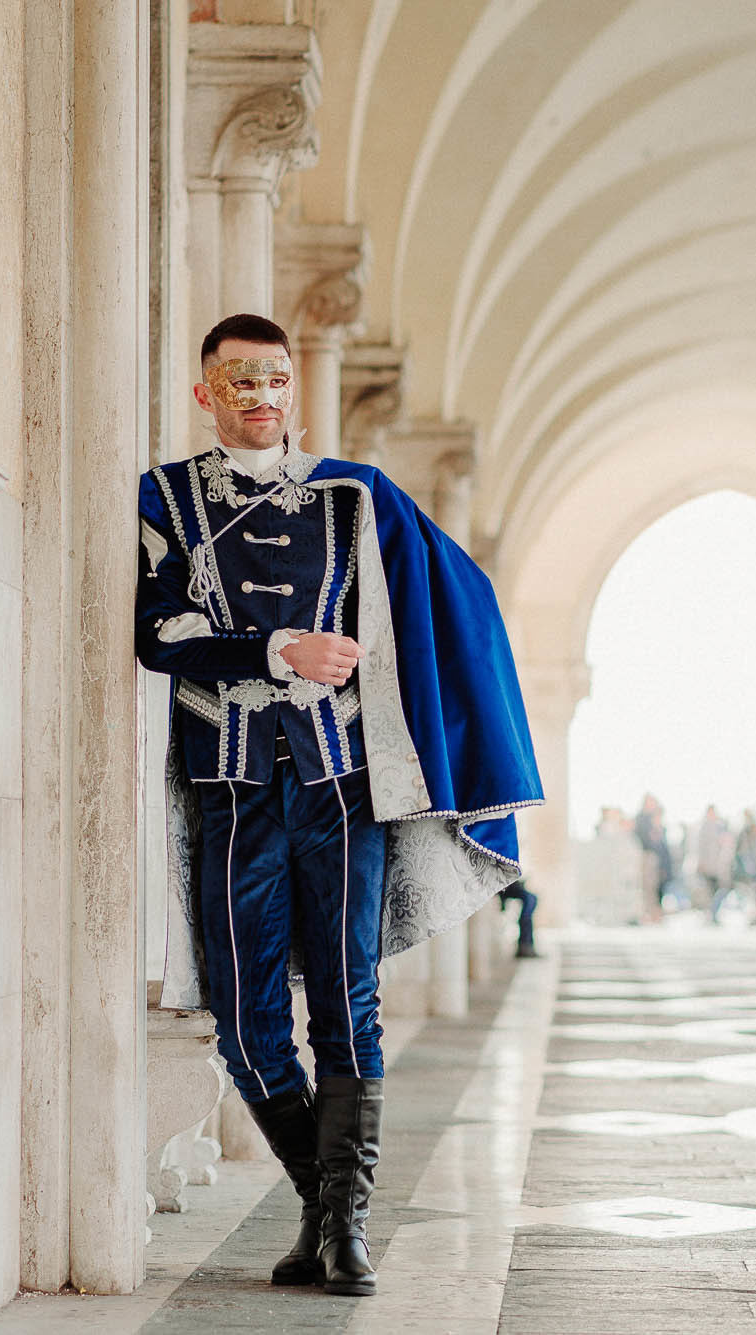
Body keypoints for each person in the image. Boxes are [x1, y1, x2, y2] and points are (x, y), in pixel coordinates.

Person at [136, 313, 541, 1297]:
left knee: (347, 1002)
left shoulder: (357, 494)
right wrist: (275, 650)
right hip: (228, 782)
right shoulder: (166, 496)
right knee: (242, 1018)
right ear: (206, 394)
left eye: (274, 378)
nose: (261, 395)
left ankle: (343, 1228)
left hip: (340, 784)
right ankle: (322, 1205)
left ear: (292, 387)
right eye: (238, 381)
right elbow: (157, 630)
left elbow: (450, 595)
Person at [499, 878, 540, 958]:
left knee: (532, 899)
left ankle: (526, 945)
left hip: (510, 884)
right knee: (530, 900)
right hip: (504, 885)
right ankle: (525, 946)